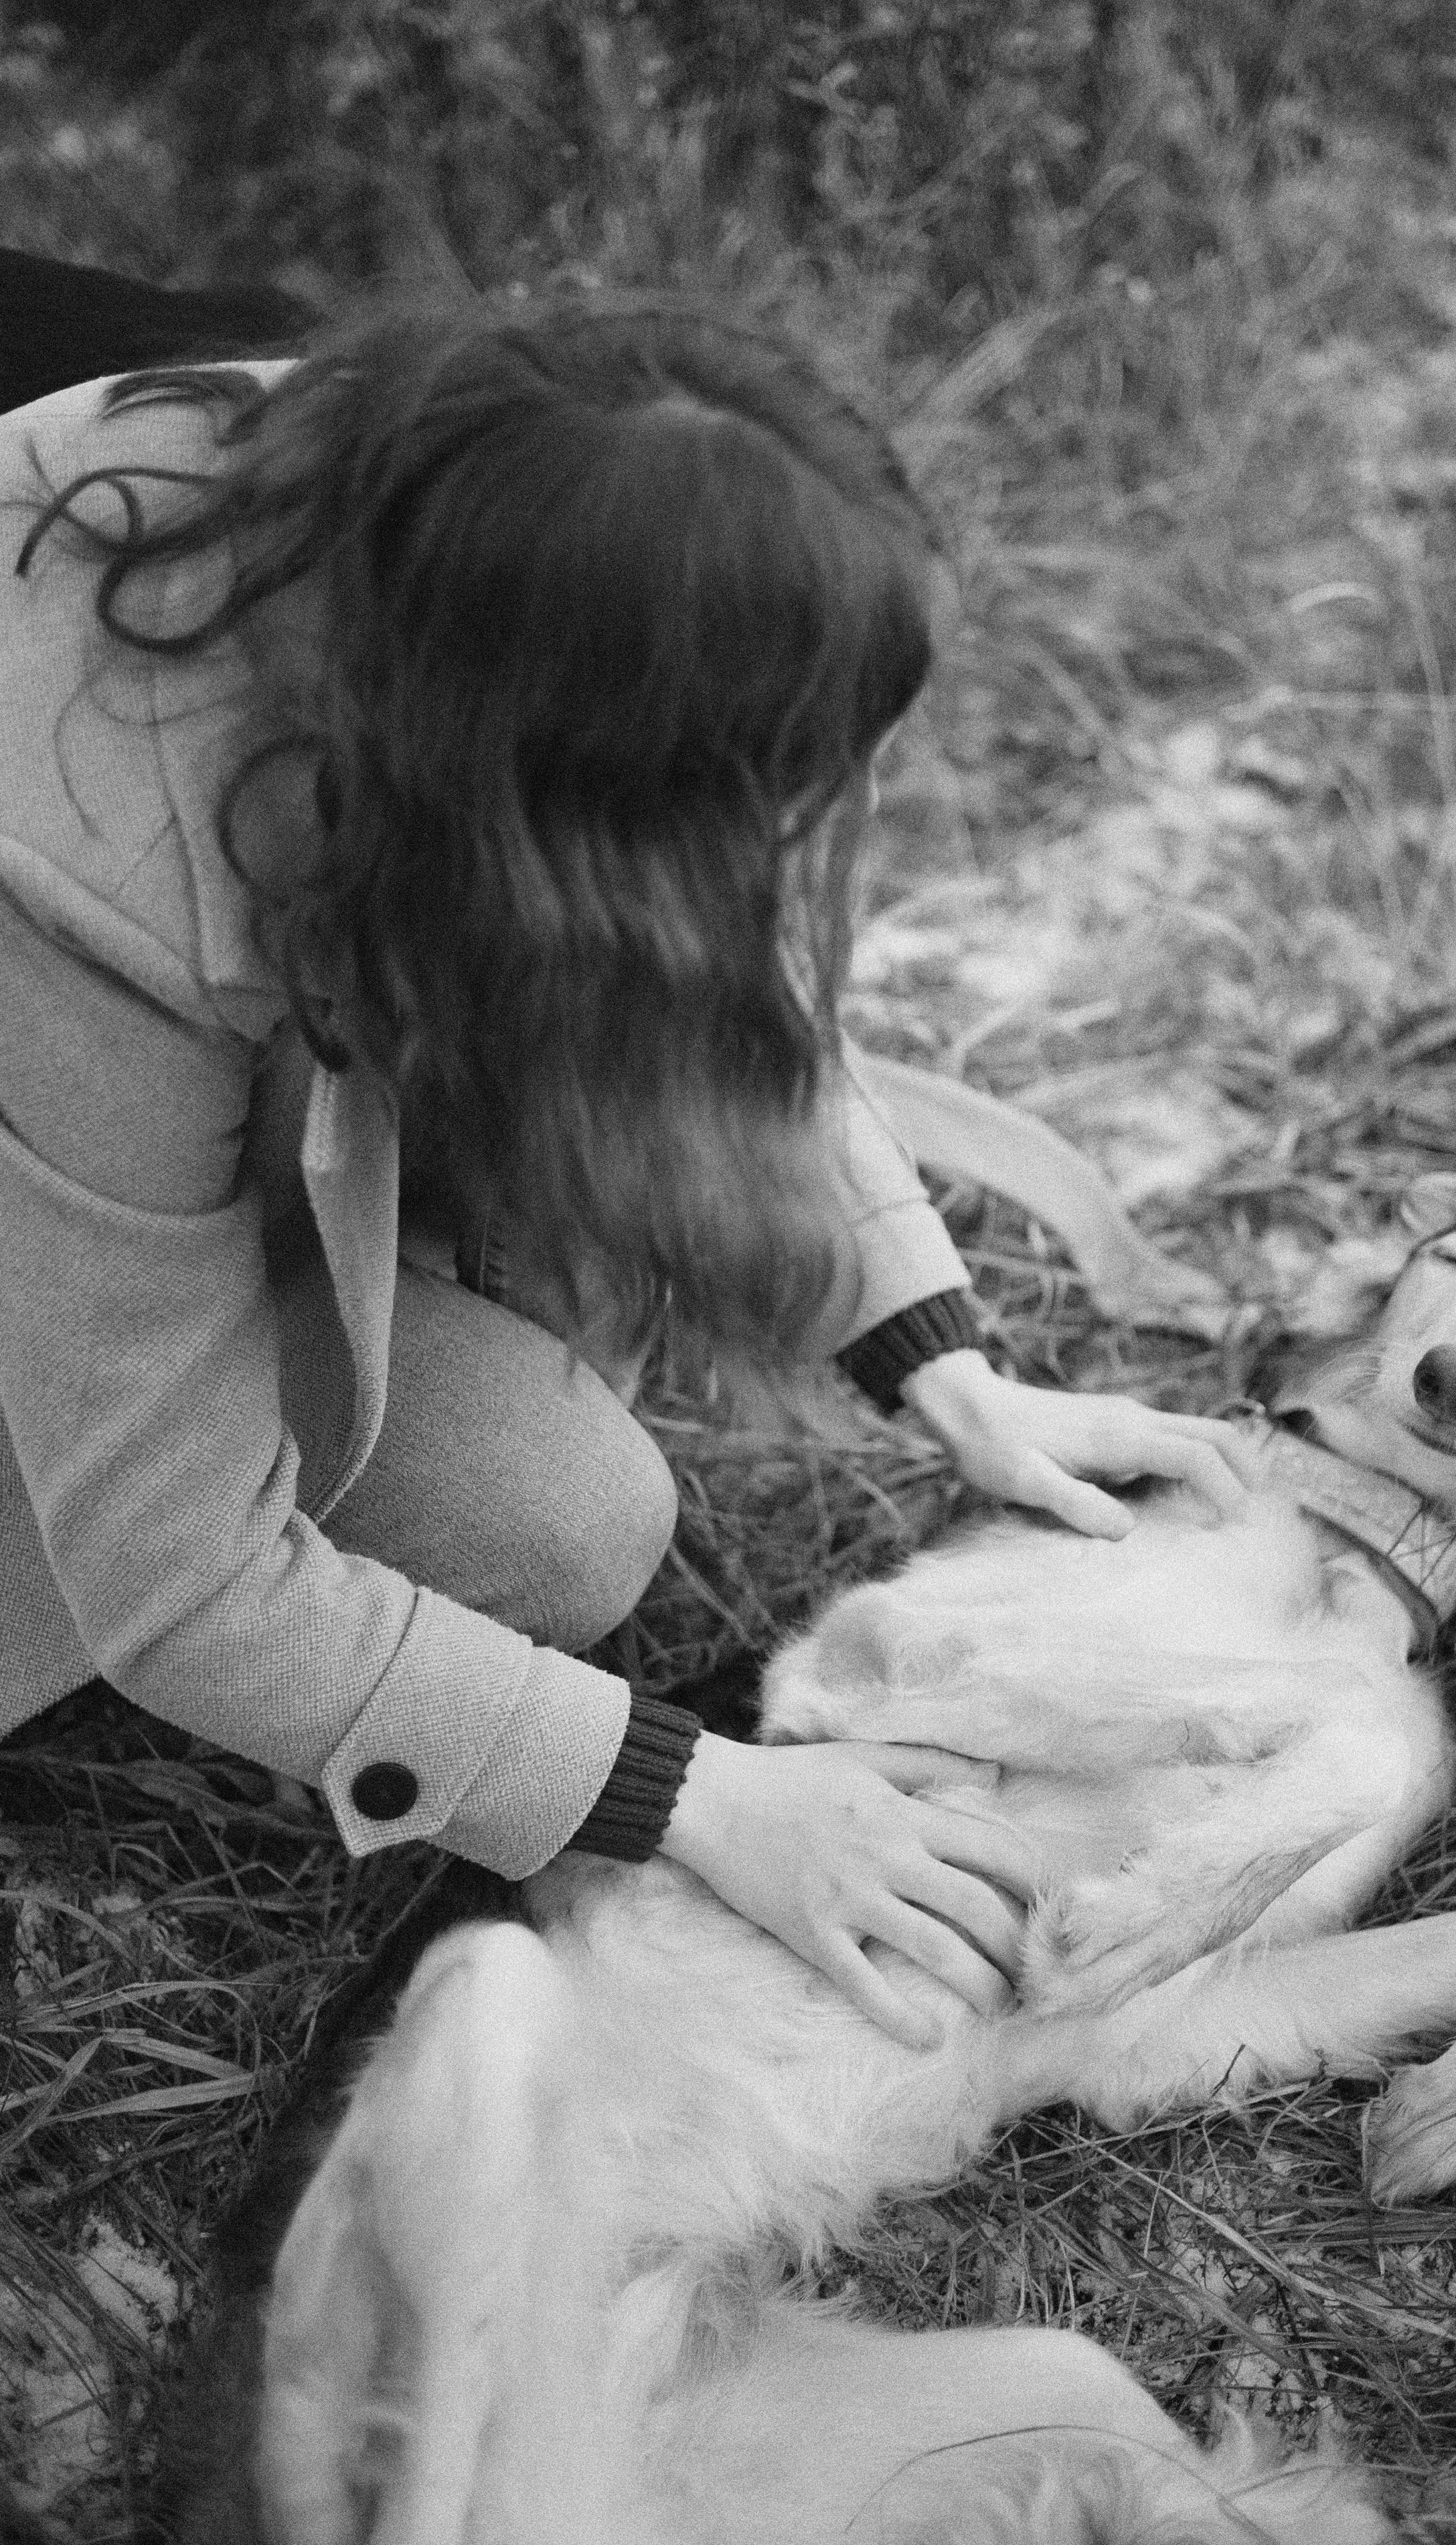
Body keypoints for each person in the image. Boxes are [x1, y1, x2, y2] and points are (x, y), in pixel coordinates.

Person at [0, 281, 1253, 2049]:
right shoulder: (81, 868)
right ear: (568, 816)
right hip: (36, 1151)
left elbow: (701, 958)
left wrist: (940, 1356)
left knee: (559, 1441)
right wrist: (706, 1800)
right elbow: (177, 1572)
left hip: (238, 1038)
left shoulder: (488, 535)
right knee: (548, 1522)